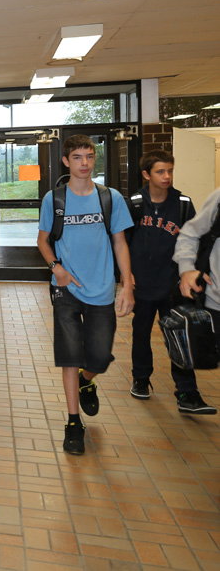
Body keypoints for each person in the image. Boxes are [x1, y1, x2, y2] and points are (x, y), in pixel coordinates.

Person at [36, 135, 134, 456]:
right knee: (70, 354)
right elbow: (43, 241)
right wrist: (56, 268)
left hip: (102, 288)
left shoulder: (110, 198)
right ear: (66, 161)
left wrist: (127, 285)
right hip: (66, 288)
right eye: (77, 157)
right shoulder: (55, 198)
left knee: (100, 357)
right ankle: (73, 422)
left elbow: (120, 242)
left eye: (89, 157)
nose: (84, 163)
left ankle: (87, 379)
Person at [126, 150, 198, 404]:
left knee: (179, 334)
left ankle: (187, 391)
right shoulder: (133, 204)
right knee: (141, 332)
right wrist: (126, 275)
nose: (166, 176)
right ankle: (141, 379)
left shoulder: (183, 204)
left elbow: (194, 240)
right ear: (146, 174)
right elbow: (121, 242)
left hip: (173, 284)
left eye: (169, 171)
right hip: (142, 283)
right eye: (160, 171)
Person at [173, 185, 220, 414]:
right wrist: (186, 269)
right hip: (216, 302)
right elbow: (190, 233)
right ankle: (186, 392)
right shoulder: (219, 198)